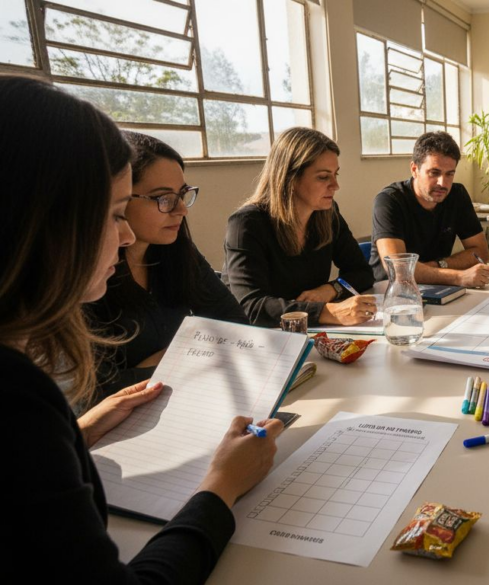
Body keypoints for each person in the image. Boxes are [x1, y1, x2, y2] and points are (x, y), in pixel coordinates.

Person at [1, 76, 282, 580]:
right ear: (38, 223)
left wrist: (78, 432)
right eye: (112, 214)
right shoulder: (14, 395)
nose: (126, 233)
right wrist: (220, 486)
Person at [87, 132, 247, 401]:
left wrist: (160, 362)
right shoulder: (89, 276)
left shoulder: (176, 250)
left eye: (182, 194)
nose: (181, 209)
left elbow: (236, 325)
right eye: (163, 198)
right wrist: (188, 354)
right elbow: (97, 390)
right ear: (119, 198)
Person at [223, 127, 377, 328]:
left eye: (335, 174)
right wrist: (327, 311)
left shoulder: (327, 214)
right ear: (290, 178)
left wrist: (331, 290)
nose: (335, 185)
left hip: (306, 332)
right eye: (323, 177)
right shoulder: (246, 224)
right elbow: (252, 307)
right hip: (261, 339)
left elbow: (362, 272)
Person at [370, 131, 489, 287]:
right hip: (391, 292)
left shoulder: (457, 195)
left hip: (437, 286)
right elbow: (399, 271)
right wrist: (458, 277)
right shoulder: (389, 201)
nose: (443, 183)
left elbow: (480, 252)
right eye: (434, 173)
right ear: (414, 169)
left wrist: (438, 266)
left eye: (449, 174)